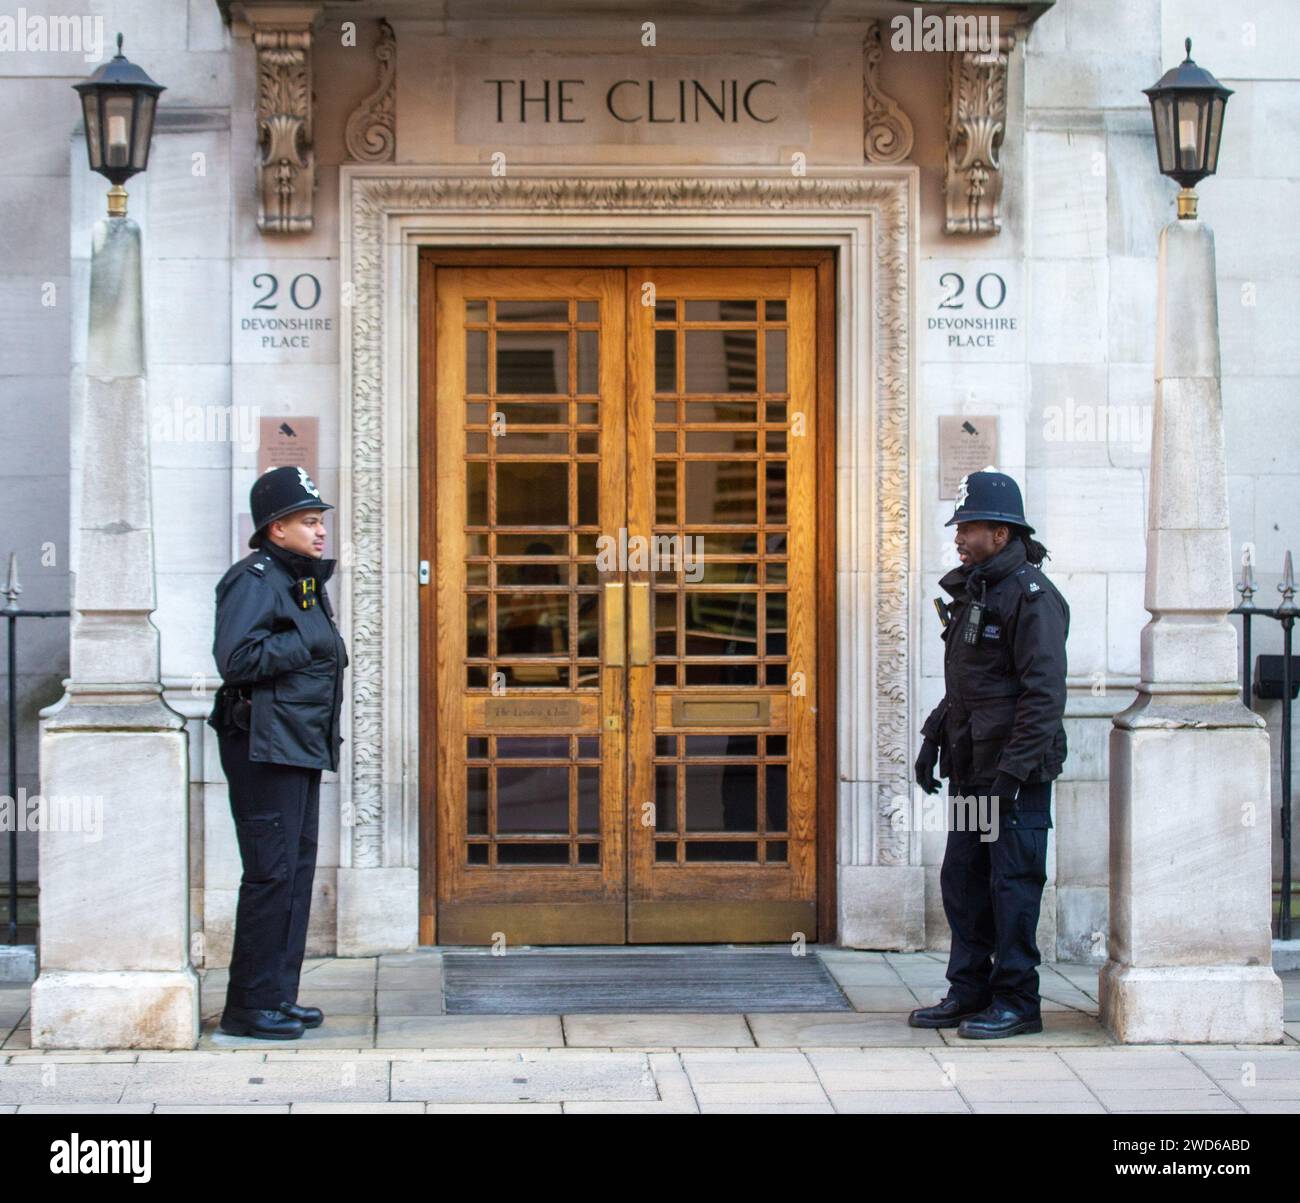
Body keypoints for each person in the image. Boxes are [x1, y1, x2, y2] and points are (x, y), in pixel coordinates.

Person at [908, 468, 1069, 1039]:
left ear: (1000, 534)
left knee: (1012, 883)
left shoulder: (1033, 598)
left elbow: (1043, 697)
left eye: (968, 527)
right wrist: (933, 738)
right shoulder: (978, 590)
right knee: (964, 879)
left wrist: (1012, 777)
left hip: (1013, 779)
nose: (958, 537)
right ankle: (969, 990)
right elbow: (970, 687)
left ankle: (1018, 1001)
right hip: (972, 770)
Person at [208, 465, 348, 1040]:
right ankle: (247, 1007)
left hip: (295, 744)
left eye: (320, 522)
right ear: (275, 528)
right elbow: (235, 660)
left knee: (293, 873)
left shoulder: (299, 580)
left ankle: (275, 996)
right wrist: (310, 640)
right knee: (270, 873)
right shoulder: (253, 580)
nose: (320, 532)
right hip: (262, 747)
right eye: (308, 522)